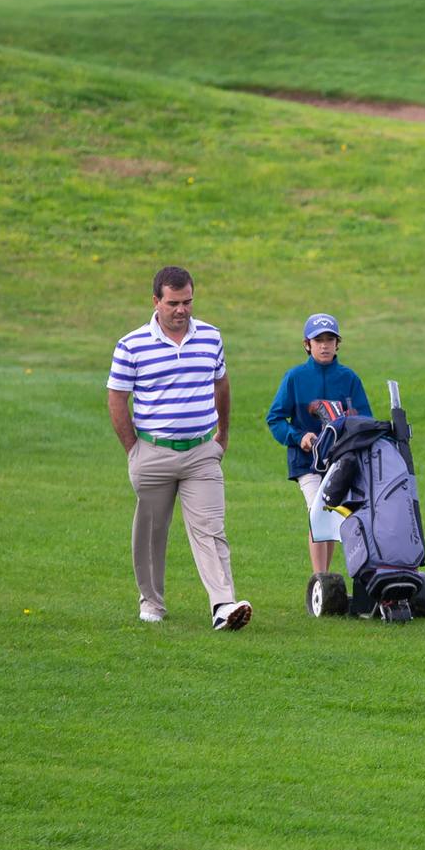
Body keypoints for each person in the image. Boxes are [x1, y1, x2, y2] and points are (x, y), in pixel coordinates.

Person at [106, 266, 250, 631]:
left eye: (187, 302)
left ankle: (223, 606)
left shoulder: (211, 337)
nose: (181, 310)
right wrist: (133, 449)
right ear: (156, 301)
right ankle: (151, 602)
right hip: (152, 452)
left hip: (201, 451)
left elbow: (222, 385)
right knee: (152, 531)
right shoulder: (131, 345)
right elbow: (117, 399)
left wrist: (223, 433)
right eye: (173, 303)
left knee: (211, 529)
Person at [266, 313, 372, 600]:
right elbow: (275, 419)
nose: (324, 346)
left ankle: (326, 578)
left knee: (335, 513)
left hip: (341, 462)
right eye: (318, 340)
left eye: (330, 340)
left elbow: (365, 420)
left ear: (338, 344)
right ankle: (320, 579)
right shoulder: (295, 378)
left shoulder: (349, 379)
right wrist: (298, 437)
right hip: (307, 463)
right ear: (307, 345)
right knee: (318, 509)